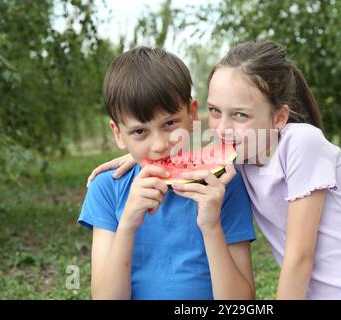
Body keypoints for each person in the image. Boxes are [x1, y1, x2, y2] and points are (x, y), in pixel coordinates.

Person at [87, 41, 341, 300]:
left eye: (240, 115)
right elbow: (186, 131)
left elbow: (299, 258)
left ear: (278, 117)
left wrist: (148, 141)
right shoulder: (239, 154)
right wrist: (144, 155)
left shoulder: (301, 144)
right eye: (215, 111)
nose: (221, 128)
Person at [78, 46, 256, 300]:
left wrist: (211, 225)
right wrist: (127, 223)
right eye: (140, 131)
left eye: (170, 124)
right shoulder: (107, 188)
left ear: (192, 114)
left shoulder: (222, 184)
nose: (160, 145)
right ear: (118, 133)